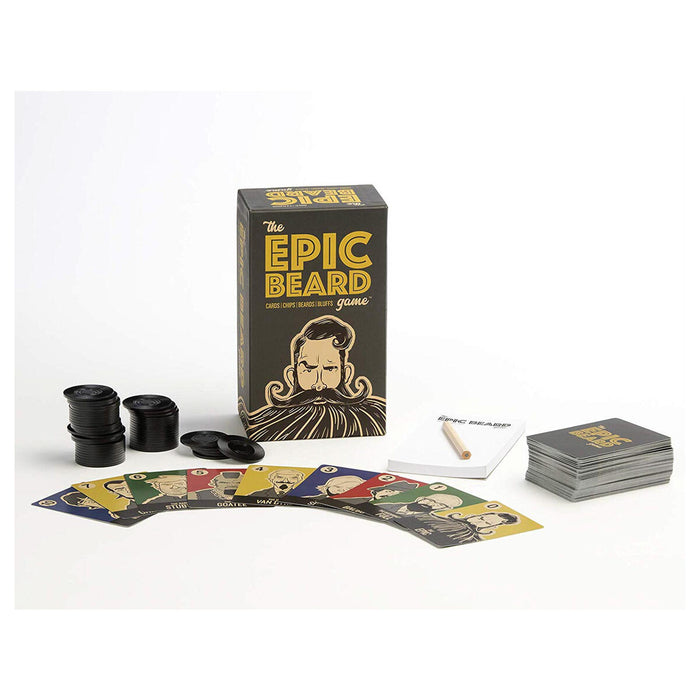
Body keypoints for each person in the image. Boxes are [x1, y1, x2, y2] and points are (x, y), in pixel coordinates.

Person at [242, 316, 386, 440]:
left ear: (346, 374)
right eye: (309, 369)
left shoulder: (374, 419)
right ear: (292, 376)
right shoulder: (266, 428)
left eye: (329, 369)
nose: (319, 385)